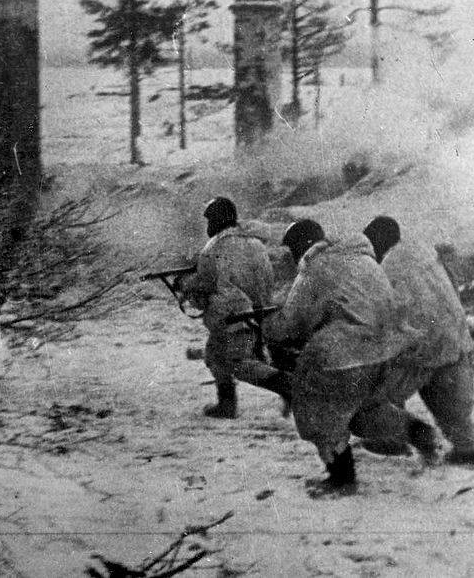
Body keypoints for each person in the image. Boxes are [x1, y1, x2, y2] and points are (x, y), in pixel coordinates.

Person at [258, 219, 437, 497]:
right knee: (365, 411)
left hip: (343, 355)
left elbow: (290, 325)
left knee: (319, 414)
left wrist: (266, 322)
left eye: (293, 249)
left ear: (303, 245)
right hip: (382, 353)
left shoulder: (316, 267)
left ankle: (341, 478)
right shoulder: (362, 259)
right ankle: (417, 432)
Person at [362, 216, 474, 466]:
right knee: (453, 413)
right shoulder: (426, 255)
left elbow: (378, 316)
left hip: (417, 352)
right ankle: (467, 448)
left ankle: (397, 439)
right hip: (454, 342)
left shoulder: (387, 268)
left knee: (374, 399)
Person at [178, 197, 275, 419]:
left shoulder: (214, 247)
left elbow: (206, 285)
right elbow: (265, 279)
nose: (208, 226)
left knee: (238, 363)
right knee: (219, 356)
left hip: (229, 317)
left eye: (209, 220)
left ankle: (287, 390)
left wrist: (184, 284)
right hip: (257, 311)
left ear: (217, 220)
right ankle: (227, 404)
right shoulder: (256, 243)